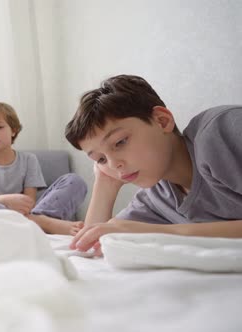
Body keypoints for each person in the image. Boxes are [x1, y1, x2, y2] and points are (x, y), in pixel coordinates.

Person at [65, 74, 242, 255]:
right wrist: (105, 183)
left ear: (161, 121)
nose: (113, 163)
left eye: (120, 142)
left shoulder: (221, 131)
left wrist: (159, 232)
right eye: (100, 159)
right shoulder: (156, 198)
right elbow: (91, 244)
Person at [0, 101, 87, 235]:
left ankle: (36, 222)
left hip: (30, 211)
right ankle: (40, 224)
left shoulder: (29, 160)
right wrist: (7, 200)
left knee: (74, 181)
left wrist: (24, 209)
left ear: (13, 130)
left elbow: (29, 201)